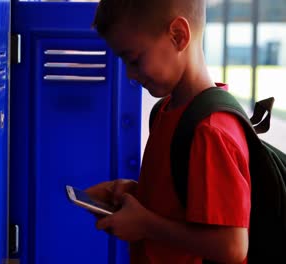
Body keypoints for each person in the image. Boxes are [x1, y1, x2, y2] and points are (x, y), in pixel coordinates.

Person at [85, 0, 251, 263]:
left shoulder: (211, 131)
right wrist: (135, 196)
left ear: (178, 36)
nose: (130, 73)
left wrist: (146, 224)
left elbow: (231, 246)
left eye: (135, 59)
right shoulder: (166, 111)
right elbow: (186, 203)